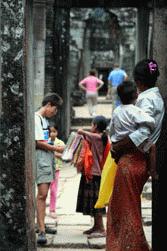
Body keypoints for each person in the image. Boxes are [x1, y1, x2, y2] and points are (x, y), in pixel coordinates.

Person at [106, 59, 164, 251]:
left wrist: (117, 147)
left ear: (138, 82)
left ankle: (133, 247)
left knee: (124, 210)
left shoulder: (146, 100)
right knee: (123, 207)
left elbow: (142, 132)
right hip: (138, 159)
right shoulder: (153, 97)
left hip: (132, 160)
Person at [35, 93, 64, 245]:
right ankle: (41, 230)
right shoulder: (36, 119)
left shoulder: (44, 120)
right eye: (55, 109)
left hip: (47, 158)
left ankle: (41, 224)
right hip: (41, 159)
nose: (55, 112)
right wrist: (56, 149)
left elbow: (45, 139)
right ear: (49, 105)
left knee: (44, 195)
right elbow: (38, 142)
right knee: (42, 194)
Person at [76, 115, 109, 238]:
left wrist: (81, 131)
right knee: (92, 201)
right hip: (92, 173)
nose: (91, 127)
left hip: (95, 174)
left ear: (95, 126)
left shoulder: (99, 137)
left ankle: (101, 228)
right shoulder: (101, 137)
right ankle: (96, 226)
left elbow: (84, 134)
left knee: (96, 202)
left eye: (92, 124)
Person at [48, 126, 65, 219]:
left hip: (56, 169)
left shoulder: (60, 143)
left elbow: (64, 155)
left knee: (53, 190)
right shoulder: (45, 142)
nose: (52, 134)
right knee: (44, 190)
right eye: (50, 132)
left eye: (54, 131)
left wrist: (54, 153)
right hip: (46, 168)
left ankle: (52, 209)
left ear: (57, 132)